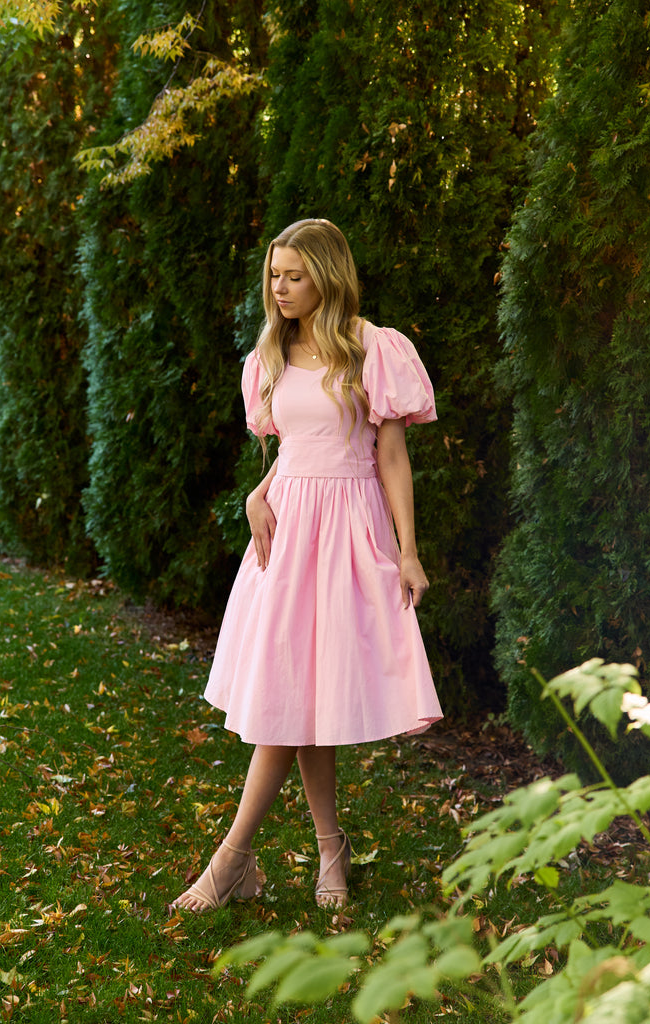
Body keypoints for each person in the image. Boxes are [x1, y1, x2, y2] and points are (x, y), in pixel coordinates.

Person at [171, 218, 443, 913]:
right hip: (286, 536)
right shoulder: (269, 354)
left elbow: (388, 456)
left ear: (327, 275)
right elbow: (294, 447)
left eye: (294, 275)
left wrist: (408, 551)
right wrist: (255, 494)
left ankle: (233, 859)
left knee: (301, 703)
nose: (280, 288)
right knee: (293, 699)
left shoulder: (374, 349)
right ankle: (327, 851)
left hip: (349, 533)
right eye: (274, 275)